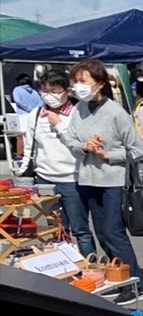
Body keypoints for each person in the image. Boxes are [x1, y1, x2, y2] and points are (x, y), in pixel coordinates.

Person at [59, 58, 143, 299]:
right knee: (101, 233)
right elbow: (70, 139)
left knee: (113, 232)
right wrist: (84, 147)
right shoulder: (79, 109)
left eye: (82, 81)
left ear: (99, 83)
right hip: (88, 179)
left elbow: (137, 149)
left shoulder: (116, 113)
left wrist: (109, 155)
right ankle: (117, 274)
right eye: (75, 81)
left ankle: (132, 284)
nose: (77, 86)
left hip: (113, 181)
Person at [20, 69, 96, 255]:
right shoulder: (36, 115)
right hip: (45, 179)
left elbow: (82, 143)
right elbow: (30, 147)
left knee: (80, 229)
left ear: (67, 91)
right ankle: (64, 264)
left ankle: (90, 265)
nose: (49, 95)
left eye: (54, 91)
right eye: (45, 91)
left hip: (73, 178)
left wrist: (58, 123)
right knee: (55, 229)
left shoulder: (79, 112)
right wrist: (23, 172)